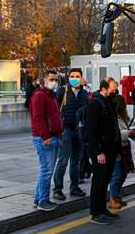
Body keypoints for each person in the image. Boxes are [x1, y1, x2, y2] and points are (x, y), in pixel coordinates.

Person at [86, 78, 121, 225]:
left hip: (110, 149)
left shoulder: (108, 102)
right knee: (98, 181)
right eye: (112, 89)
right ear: (104, 88)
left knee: (105, 180)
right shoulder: (95, 104)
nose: (115, 91)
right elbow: (92, 131)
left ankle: (102, 209)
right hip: (101, 151)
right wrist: (98, 151)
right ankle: (95, 213)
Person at [53, 68, 90, 200]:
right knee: (63, 161)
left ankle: (74, 187)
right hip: (66, 131)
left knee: (76, 161)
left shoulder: (84, 94)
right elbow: (54, 110)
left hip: (79, 131)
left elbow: (87, 111)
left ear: (81, 78)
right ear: (68, 78)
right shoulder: (62, 91)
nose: (75, 78)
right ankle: (57, 189)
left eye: (77, 76)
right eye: (72, 76)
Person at [29, 70, 63, 212]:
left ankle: (39, 199)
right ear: (44, 80)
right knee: (46, 171)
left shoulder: (51, 96)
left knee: (46, 170)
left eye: (56, 79)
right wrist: (46, 136)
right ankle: (43, 201)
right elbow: (38, 119)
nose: (54, 82)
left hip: (53, 136)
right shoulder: (40, 96)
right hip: (45, 138)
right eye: (51, 79)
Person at [109, 95, 135, 209]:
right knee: (116, 174)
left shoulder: (125, 117)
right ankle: (113, 198)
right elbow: (113, 135)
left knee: (124, 172)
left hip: (125, 148)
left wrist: (133, 133)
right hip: (116, 148)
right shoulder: (111, 117)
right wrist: (128, 133)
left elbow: (133, 134)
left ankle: (117, 196)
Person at [79, 77, 93, 183]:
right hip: (81, 127)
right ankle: (82, 172)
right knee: (83, 153)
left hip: (83, 126)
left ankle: (85, 170)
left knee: (84, 153)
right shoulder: (83, 95)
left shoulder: (85, 94)